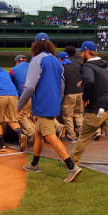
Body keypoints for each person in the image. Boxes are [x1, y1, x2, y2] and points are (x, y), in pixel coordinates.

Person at [16, 32, 80, 182]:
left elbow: (30, 87)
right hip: (54, 101)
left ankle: (72, 167)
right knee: (39, 133)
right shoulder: (57, 61)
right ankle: (34, 164)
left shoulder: (36, 60)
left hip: (43, 104)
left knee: (50, 135)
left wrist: (19, 105)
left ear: (35, 44)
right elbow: (62, 85)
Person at [70, 41, 108, 179]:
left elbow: (91, 82)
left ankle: (72, 162)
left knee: (84, 136)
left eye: (82, 52)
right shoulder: (103, 66)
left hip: (97, 108)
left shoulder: (87, 66)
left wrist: (85, 97)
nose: (80, 54)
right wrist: (83, 83)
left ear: (87, 52)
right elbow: (98, 82)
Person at [9, 54, 37, 139]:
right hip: (37, 95)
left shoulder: (13, 70)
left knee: (20, 116)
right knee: (33, 116)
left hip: (25, 95)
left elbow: (11, 85)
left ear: (17, 62)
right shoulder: (33, 67)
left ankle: (30, 133)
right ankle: (37, 134)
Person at [58, 51, 83, 142]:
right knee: (79, 114)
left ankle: (71, 136)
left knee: (67, 116)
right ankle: (83, 135)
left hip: (69, 93)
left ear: (60, 59)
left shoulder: (61, 66)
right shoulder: (76, 64)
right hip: (80, 92)